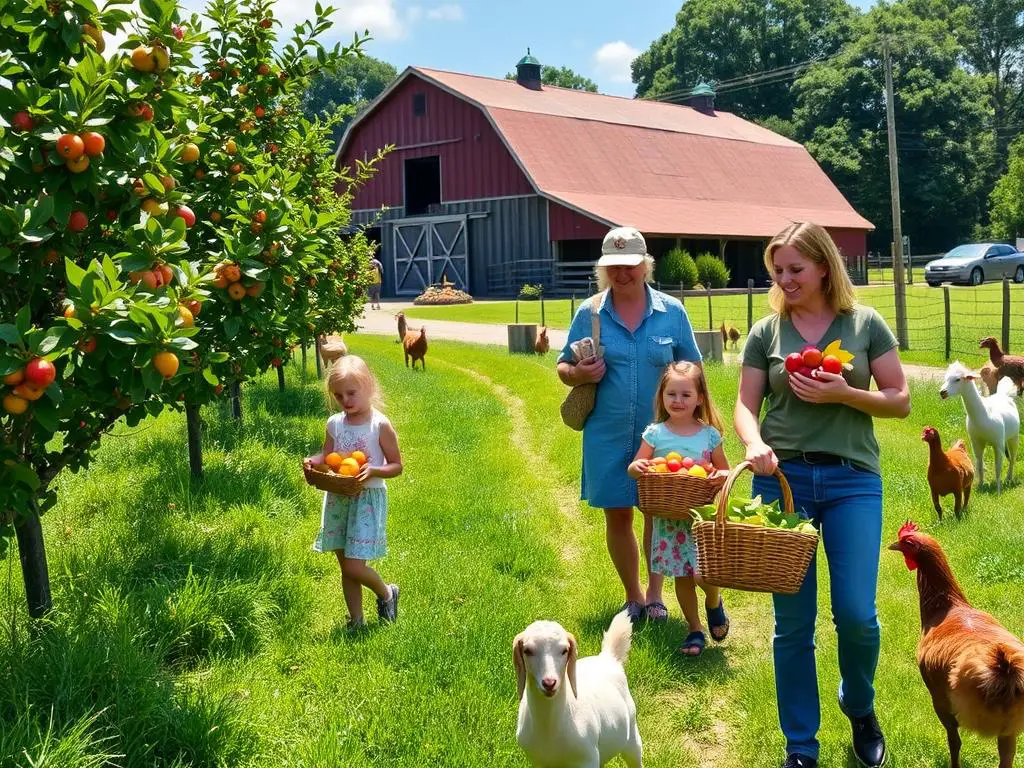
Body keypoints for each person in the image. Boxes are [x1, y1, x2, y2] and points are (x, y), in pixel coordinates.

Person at [734, 222, 910, 768]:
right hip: (782, 484)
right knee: (792, 624)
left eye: (794, 269)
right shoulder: (767, 332)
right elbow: (744, 406)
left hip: (852, 480)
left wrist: (846, 393)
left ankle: (859, 704)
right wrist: (756, 443)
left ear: (825, 267)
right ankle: (800, 747)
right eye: (777, 271)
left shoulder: (864, 324)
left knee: (857, 613)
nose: (784, 280)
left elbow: (899, 399)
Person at [557, 226, 702, 625]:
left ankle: (656, 597)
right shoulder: (589, 312)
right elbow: (563, 367)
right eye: (614, 267)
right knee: (617, 514)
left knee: (657, 511)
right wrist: (580, 374)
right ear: (604, 270)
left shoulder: (672, 312)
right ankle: (633, 596)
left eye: (630, 266)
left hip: (662, 436)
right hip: (606, 432)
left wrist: (694, 420)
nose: (622, 274)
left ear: (645, 266)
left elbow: (694, 368)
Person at [627, 362, 731, 656]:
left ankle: (713, 601)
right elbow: (634, 468)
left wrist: (715, 474)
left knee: (703, 574)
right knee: (683, 577)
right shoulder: (656, 434)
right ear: (661, 396)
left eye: (686, 394)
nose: (677, 400)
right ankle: (694, 629)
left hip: (700, 520)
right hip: (669, 518)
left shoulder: (709, 435)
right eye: (671, 394)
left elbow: (726, 472)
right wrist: (640, 466)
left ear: (700, 398)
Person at [304, 355, 404, 627]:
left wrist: (373, 470)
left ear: (368, 387)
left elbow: (397, 466)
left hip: (366, 501)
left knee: (353, 566)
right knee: (344, 566)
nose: (346, 401)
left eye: (351, 393)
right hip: (339, 498)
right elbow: (327, 456)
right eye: (339, 396)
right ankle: (356, 619)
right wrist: (313, 462)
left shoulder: (379, 425)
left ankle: (386, 593)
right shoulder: (335, 423)